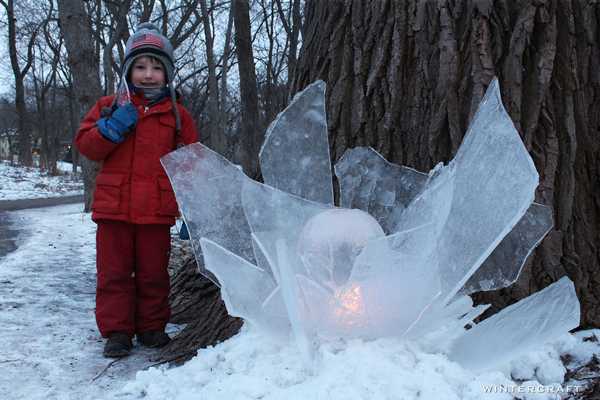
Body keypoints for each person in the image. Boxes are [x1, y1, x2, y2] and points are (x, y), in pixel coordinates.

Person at [75, 23, 199, 357]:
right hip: (113, 208)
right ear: (129, 69)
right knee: (113, 272)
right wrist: (110, 128)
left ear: (168, 73)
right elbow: (87, 147)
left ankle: (151, 327)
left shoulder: (177, 115)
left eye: (157, 67)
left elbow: (191, 164)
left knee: (153, 273)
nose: (148, 74)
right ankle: (117, 330)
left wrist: (194, 208)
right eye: (141, 66)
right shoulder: (109, 105)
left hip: (156, 211)